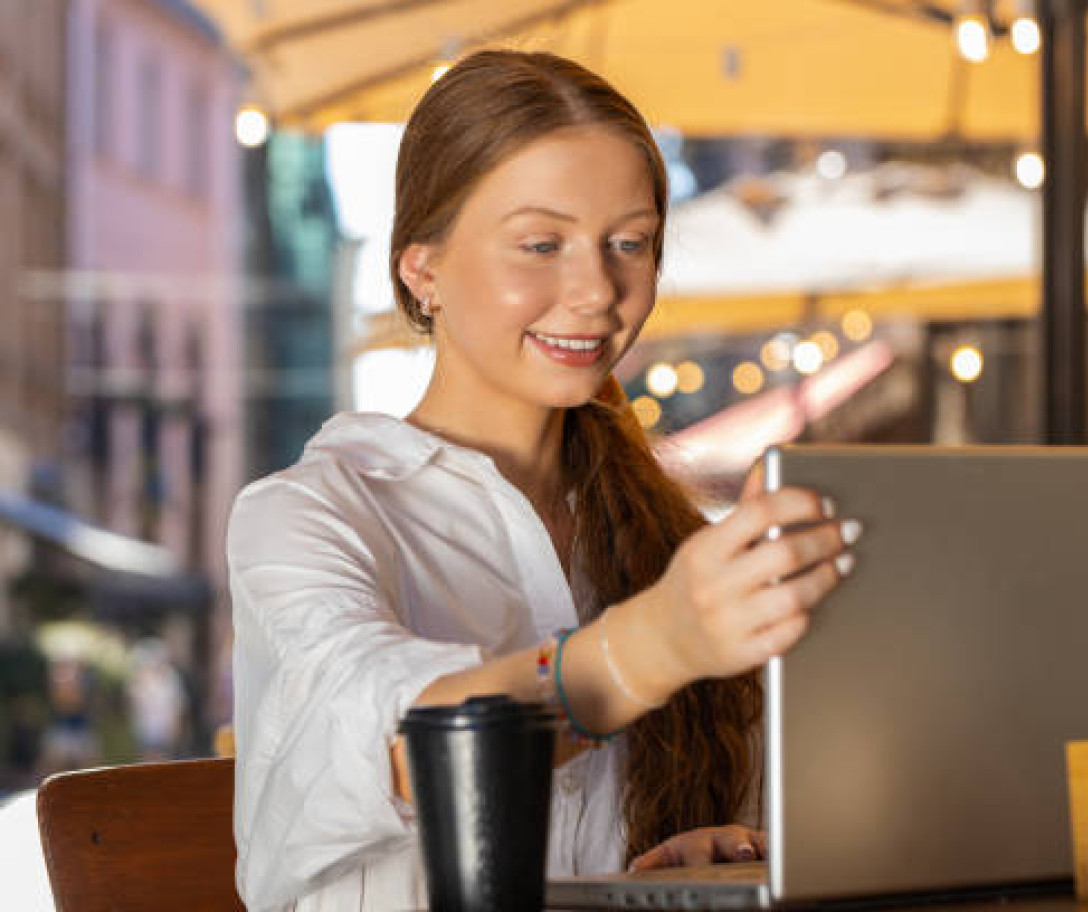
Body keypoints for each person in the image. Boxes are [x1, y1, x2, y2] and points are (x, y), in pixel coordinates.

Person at [227, 49, 858, 912]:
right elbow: (402, 741)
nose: (597, 289)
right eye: (541, 244)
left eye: (628, 243)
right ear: (423, 269)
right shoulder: (306, 517)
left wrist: (700, 869)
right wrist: (658, 644)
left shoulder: (666, 535)